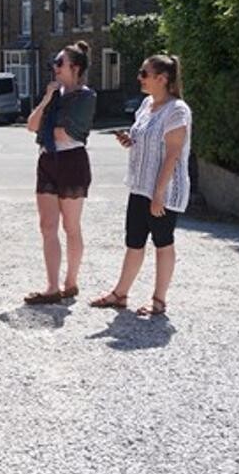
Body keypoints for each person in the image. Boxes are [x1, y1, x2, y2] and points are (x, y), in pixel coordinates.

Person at [90, 54, 191, 316]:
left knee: (163, 242)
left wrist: (159, 194)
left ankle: (159, 301)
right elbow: (143, 139)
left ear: (162, 78)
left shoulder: (177, 110)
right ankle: (120, 294)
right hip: (139, 186)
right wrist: (129, 141)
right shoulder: (146, 105)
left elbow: (173, 154)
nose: (139, 78)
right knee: (133, 241)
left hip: (163, 190)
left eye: (144, 73)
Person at [23, 41, 97, 304]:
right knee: (47, 226)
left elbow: (65, 132)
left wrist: (44, 127)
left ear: (75, 68)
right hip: (48, 160)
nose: (54, 67)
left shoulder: (86, 97)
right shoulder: (54, 96)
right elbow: (32, 125)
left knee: (71, 226)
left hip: (72, 161)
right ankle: (52, 286)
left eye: (59, 63)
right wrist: (45, 100)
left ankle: (71, 281)